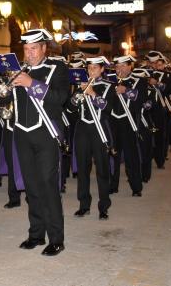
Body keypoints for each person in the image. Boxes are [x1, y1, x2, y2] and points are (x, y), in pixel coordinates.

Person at [0, 29, 69, 256]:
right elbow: (2, 97)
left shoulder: (56, 68)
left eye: (34, 48)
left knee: (48, 186)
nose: (29, 53)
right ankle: (36, 234)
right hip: (22, 134)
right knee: (32, 187)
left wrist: (30, 83)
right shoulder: (18, 70)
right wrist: (4, 89)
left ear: (44, 48)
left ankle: (56, 238)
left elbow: (59, 99)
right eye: (26, 49)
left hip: (46, 133)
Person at [67, 56, 114, 220]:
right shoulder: (81, 85)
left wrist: (92, 93)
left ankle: (104, 206)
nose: (91, 71)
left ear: (102, 69)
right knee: (82, 169)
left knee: (102, 169)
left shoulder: (108, 87)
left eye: (95, 68)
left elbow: (108, 108)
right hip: (82, 129)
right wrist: (76, 97)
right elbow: (71, 108)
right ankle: (84, 205)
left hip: (99, 128)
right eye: (89, 68)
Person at [110, 55, 148, 196]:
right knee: (113, 155)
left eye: (123, 66)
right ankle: (113, 185)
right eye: (117, 66)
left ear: (130, 66)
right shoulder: (110, 80)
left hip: (129, 122)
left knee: (131, 156)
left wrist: (125, 90)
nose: (119, 69)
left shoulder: (139, 81)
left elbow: (141, 99)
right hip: (113, 122)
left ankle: (136, 187)